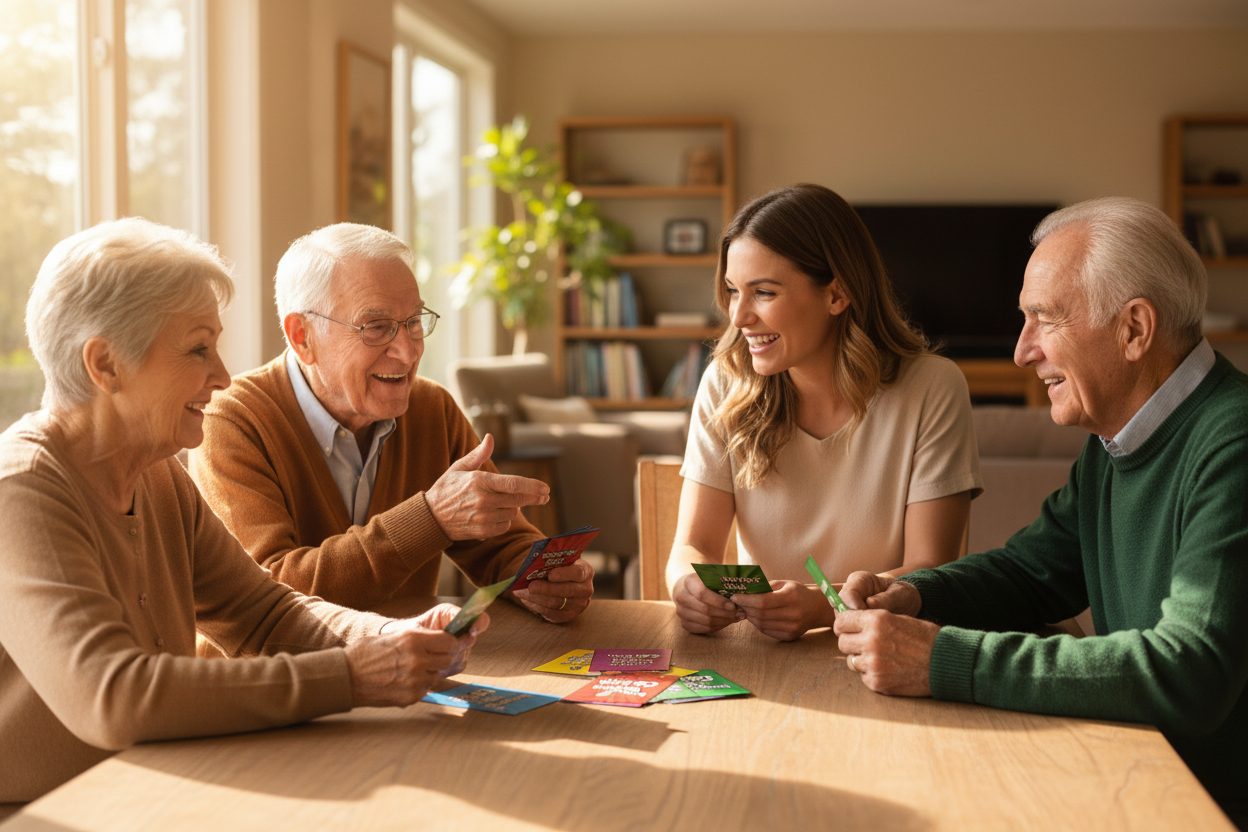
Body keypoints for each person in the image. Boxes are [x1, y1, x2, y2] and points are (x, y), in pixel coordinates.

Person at [0, 218, 488, 804]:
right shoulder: (23, 489)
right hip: (45, 811)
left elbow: (262, 612)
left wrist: (388, 635)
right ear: (105, 366)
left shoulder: (157, 475)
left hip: (152, 787)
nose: (222, 375)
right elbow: (115, 696)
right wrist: (355, 676)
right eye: (198, 348)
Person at [833, 197, 1248, 827]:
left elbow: (1187, 671)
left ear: (1134, 329)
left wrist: (943, 659)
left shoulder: (1234, 441)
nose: (1023, 352)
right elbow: (1032, 573)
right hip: (1135, 774)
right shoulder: (1114, 444)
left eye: (1044, 320)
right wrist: (911, 594)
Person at [188, 223, 592, 622]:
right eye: (376, 327)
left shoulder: (431, 408)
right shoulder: (231, 422)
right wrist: (429, 519)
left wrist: (544, 582)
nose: (406, 352)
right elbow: (271, 593)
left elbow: (500, 547)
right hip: (280, 680)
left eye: (414, 322)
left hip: (409, 671)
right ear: (302, 337)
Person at [668, 184, 983, 641]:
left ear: (837, 294)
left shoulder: (932, 388)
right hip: (759, 658)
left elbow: (930, 570)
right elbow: (691, 546)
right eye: (734, 291)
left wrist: (825, 605)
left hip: (884, 654)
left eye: (764, 292)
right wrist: (688, 586)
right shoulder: (724, 383)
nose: (738, 317)